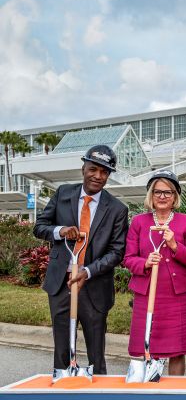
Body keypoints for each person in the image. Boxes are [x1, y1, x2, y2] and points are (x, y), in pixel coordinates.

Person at [33, 144, 129, 375]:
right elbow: (39, 227)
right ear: (83, 168)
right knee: (62, 347)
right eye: (93, 169)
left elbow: (117, 252)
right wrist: (61, 231)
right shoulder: (63, 193)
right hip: (61, 283)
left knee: (96, 350)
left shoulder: (117, 209)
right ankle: (63, 390)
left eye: (104, 172)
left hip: (94, 285)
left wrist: (88, 271)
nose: (97, 176)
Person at [123, 170, 186, 376]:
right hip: (148, 295)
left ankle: (176, 394)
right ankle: (151, 392)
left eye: (168, 192)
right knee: (149, 349)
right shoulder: (139, 222)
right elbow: (128, 258)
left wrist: (175, 245)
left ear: (175, 196)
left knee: (177, 350)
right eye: (157, 192)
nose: (162, 196)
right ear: (150, 196)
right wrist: (145, 262)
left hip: (178, 296)